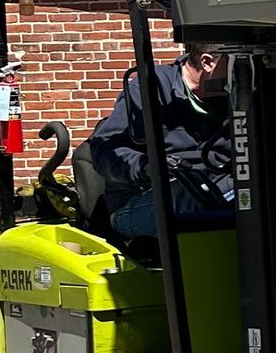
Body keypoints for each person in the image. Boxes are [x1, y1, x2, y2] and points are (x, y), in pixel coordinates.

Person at [87, 41, 234, 239]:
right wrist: (148, 168)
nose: (242, 71)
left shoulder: (238, 96)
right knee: (196, 196)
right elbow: (104, 149)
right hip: (141, 200)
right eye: (236, 62)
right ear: (207, 63)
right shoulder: (149, 89)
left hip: (213, 187)